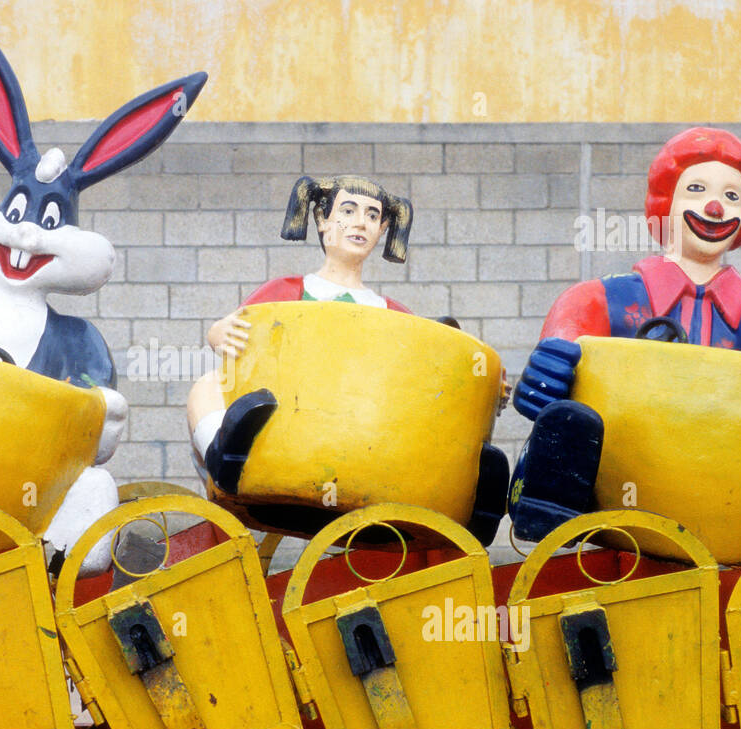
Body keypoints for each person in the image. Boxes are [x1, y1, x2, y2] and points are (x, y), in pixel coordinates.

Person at [510, 127, 741, 571]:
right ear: (667, 203)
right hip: (625, 491)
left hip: (734, 497)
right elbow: (569, 323)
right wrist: (553, 361)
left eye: (732, 197)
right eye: (696, 189)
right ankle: (547, 512)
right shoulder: (613, 297)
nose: (715, 207)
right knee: (570, 422)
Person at [187, 174, 509, 544]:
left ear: (384, 228)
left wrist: (487, 379)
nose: (361, 222)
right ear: (322, 219)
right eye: (349, 210)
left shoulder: (393, 314)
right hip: (286, 428)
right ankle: (222, 453)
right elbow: (237, 330)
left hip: (362, 438)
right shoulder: (288, 291)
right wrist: (219, 332)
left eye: (373, 216)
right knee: (208, 384)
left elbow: (430, 363)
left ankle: (475, 496)